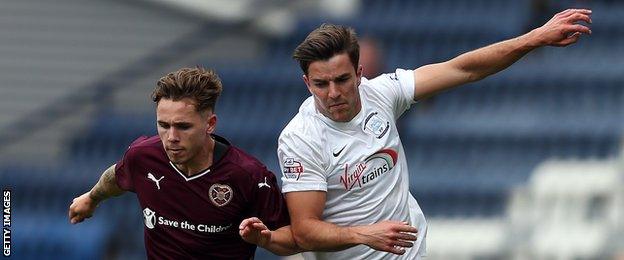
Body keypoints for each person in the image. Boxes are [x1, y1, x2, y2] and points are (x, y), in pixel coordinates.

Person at [243, 8, 592, 260]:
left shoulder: (383, 93)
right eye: (320, 84)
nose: (333, 92)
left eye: (342, 80)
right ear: (307, 83)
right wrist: (365, 235)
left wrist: (533, 39)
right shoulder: (300, 139)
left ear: (360, 73)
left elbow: (464, 69)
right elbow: (305, 230)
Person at [68, 67, 301, 259]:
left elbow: (294, 240)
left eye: (183, 126)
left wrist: (265, 239)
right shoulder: (143, 156)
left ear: (210, 124)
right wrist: (92, 197)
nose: (171, 137)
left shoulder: (248, 175)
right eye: (163, 125)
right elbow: (116, 176)